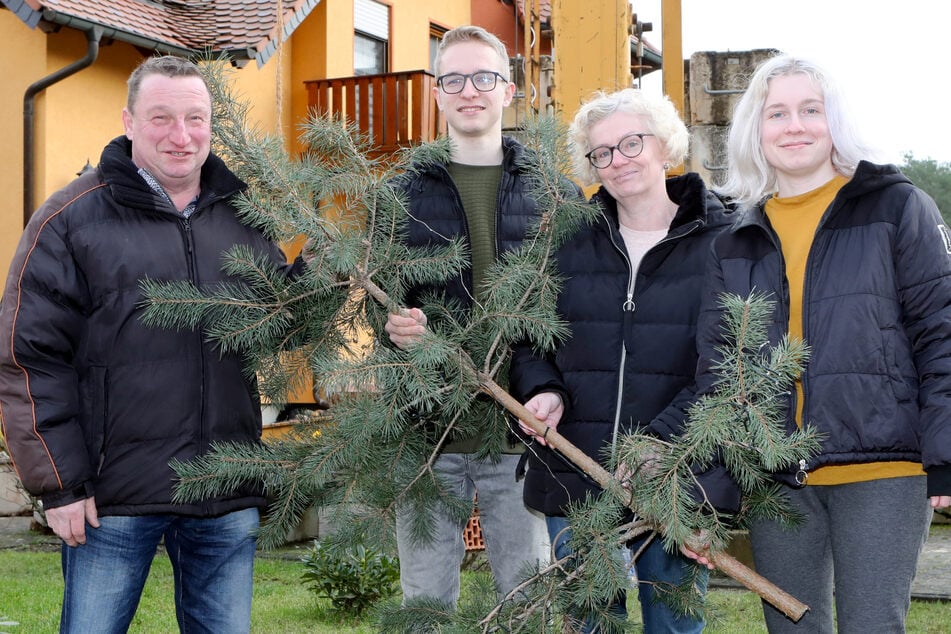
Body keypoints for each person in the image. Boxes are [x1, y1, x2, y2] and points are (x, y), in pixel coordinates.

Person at [0, 55, 299, 633]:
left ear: (214, 123)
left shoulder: (244, 217)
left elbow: (278, 320)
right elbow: (26, 357)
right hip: (112, 497)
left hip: (223, 489)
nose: (181, 136)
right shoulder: (69, 219)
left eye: (196, 118)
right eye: (161, 117)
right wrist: (60, 484)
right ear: (129, 121)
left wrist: (330, 274)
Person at [699, 53, 951, 632]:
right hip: (774, 474)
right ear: (754, 132)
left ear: (835, 119)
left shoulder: (897, 207)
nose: (795, 126)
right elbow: (716, 368)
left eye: (811, 109)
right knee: (790, 625)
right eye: (777, 113)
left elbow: (940, 332)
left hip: (882, 467)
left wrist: (944, 456)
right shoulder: (734, 238)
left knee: (871, 625)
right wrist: (715, 482)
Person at [508, 87, 737, 632]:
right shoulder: (565, 242)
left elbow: (731, 363)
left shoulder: (726, 240)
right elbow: (528, 340)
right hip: (575, 468)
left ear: (666, 146)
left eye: (631, 142)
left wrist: (659, 445)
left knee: (674, 625)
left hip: (678, 473)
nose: (617, 160)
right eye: (601, 152)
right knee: (589, 624)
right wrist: (545, 390)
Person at [382, 25, 551, 609]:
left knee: (526, 597)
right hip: (427, 435)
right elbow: (382, 297)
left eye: (484, 77)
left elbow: (572, 310)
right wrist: (392, 331)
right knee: (425, 601)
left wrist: (553, 392)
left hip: (521, 433)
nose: (468, 91)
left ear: (508, 91)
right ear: (437, 92)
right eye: (453, 78)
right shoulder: (399, 190)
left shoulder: (550, 193)